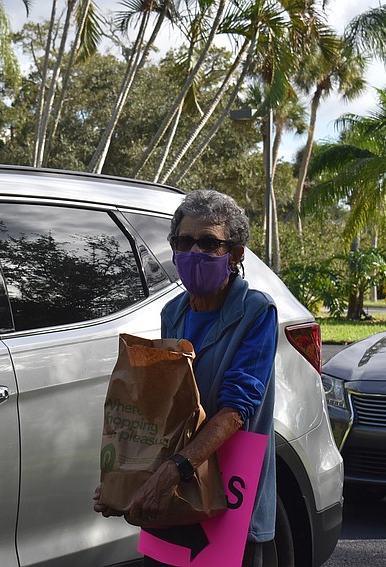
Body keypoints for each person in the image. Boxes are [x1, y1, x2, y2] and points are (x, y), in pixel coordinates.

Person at [93, 189, 278, 567]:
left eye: (210, 243)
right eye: (184, 241)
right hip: (176, 494)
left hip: (228, 491)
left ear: (236, 254)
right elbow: (165, 413)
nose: (195, 252)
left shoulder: (256, 312)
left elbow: (236, 409)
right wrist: (126, 482)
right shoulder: (173, 312)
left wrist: (174, 470)